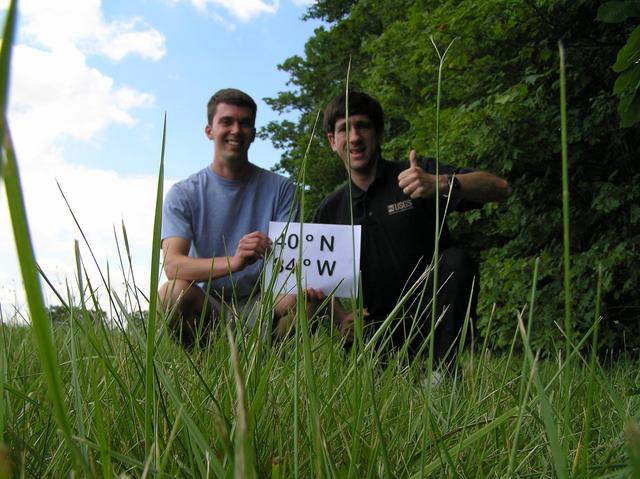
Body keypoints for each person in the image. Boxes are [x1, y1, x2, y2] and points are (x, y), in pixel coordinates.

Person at [314, 91, 512, 363]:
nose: (355, 137)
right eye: (343, 129)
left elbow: (501, 188)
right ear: (332, 142)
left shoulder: (419, 174)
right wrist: (340, 318)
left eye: (363, 126)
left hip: (434, 318)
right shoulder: (330, 208)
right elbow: (314, 278)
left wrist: (441, 183)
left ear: (379, 134)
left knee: (456, 260)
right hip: (377, 326)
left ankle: (442, 372)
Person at [160, 88, 314, 347]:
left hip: (266, 302)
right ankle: (204, 364)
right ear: (209, 130)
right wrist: (234, 262)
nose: (236, 130)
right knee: (171, 293)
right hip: (210, 306)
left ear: (253, 133)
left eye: (245, 123)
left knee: (306, 302)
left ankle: (274, 370)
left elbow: (293, 263)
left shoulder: (283, 189)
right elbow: (173, 266)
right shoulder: (183, 193)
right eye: (226, 122)